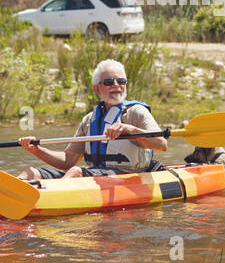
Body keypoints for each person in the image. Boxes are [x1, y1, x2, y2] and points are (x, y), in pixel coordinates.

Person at [17, 59, 167, 180]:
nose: (116, 85)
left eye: (121, 81)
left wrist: (130, 129)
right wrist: (36, 150)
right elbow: (68, 160)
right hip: (96, 175)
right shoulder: (89, 119)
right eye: (109, 82)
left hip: (127, 177)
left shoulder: (136, 112)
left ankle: (49, 200)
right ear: (97, 89)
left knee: (76, 172)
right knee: (30, 172)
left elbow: (162, 144)